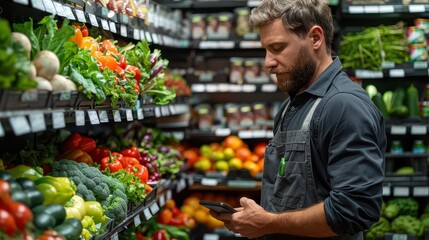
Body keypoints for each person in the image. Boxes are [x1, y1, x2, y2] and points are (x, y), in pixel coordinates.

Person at [209, 0, 387, 239]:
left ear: (315, 38)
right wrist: (259, 218)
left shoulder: (344, 106)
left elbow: (353, 210)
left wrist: (268, 223)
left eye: (278, 48)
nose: (267, 63)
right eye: (266, 50)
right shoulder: (291, 105)